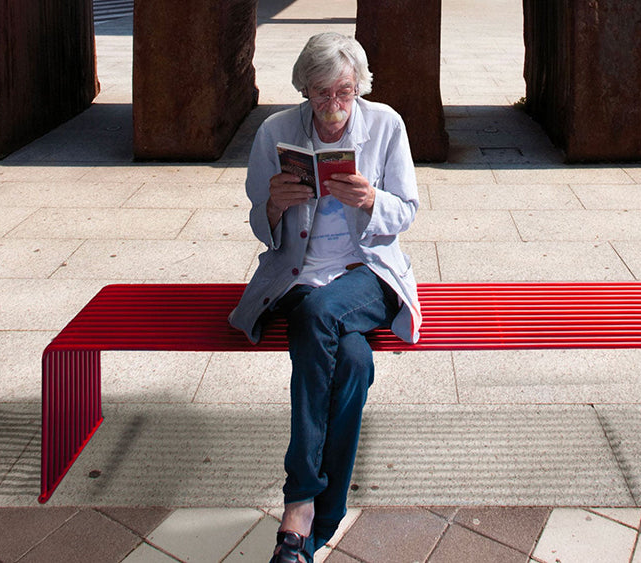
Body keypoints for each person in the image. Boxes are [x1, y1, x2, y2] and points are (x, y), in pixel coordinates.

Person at [228, 32, 421, 563]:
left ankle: (298, 502)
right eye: (320, 94)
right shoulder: (275, 132)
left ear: (358, 86)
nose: (333, 106)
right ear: (303, 90)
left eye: (343, 92)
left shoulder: (385, 124)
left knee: (319, 315)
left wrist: (373, 200)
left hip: (368, 274)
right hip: (299, 276)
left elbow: (407, 210)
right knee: (353, 360)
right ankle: (321, 519)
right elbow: (259, 226)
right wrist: (272, 208)